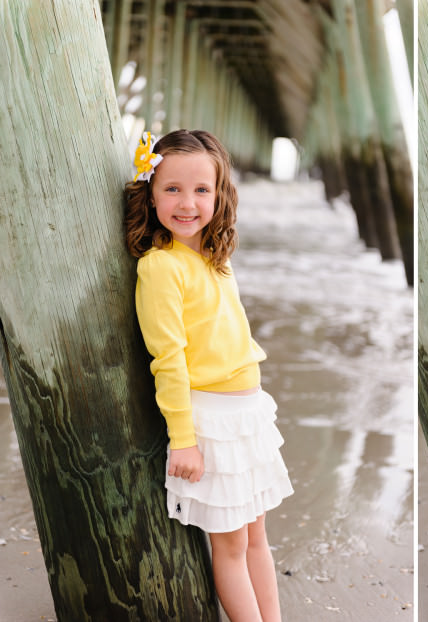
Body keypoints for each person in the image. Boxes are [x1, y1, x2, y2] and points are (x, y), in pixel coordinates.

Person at [124, 129, 294, 622]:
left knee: (257, 537)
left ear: (220, 197)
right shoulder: (161, 267)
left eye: (202, 190)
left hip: (247, 414)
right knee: (232, 545)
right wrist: (183, 439)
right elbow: (168, 359)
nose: (187, 203)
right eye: (172, 189)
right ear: (150, 194)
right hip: (211, 420)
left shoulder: (216, 260)